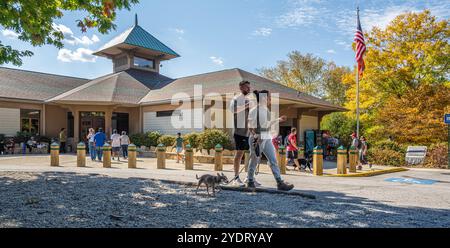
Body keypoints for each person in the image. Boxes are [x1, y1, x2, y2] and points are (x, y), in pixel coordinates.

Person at [247, 90, 294, 191]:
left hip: (266, 137)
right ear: (264, 98)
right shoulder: (254, 110)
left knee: (273, 160)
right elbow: (250, 126)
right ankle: (250, 181)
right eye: (269, 97)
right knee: (254, 159)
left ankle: (279, 182)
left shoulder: (266, 110)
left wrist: (278, 120)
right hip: (257, 138)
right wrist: (255, 136)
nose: (270, 99)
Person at [229, 80, 252, 186]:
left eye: (249, 87)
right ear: (241, 88)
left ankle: (250, 178)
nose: (249, 89)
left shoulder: (249, 99)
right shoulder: (236, 99)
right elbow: (233, 110)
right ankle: (236, 178)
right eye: (247, 87)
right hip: (239, 132)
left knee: (254, 154)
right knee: (239, 154)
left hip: (249, 132)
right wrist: (247, 106)